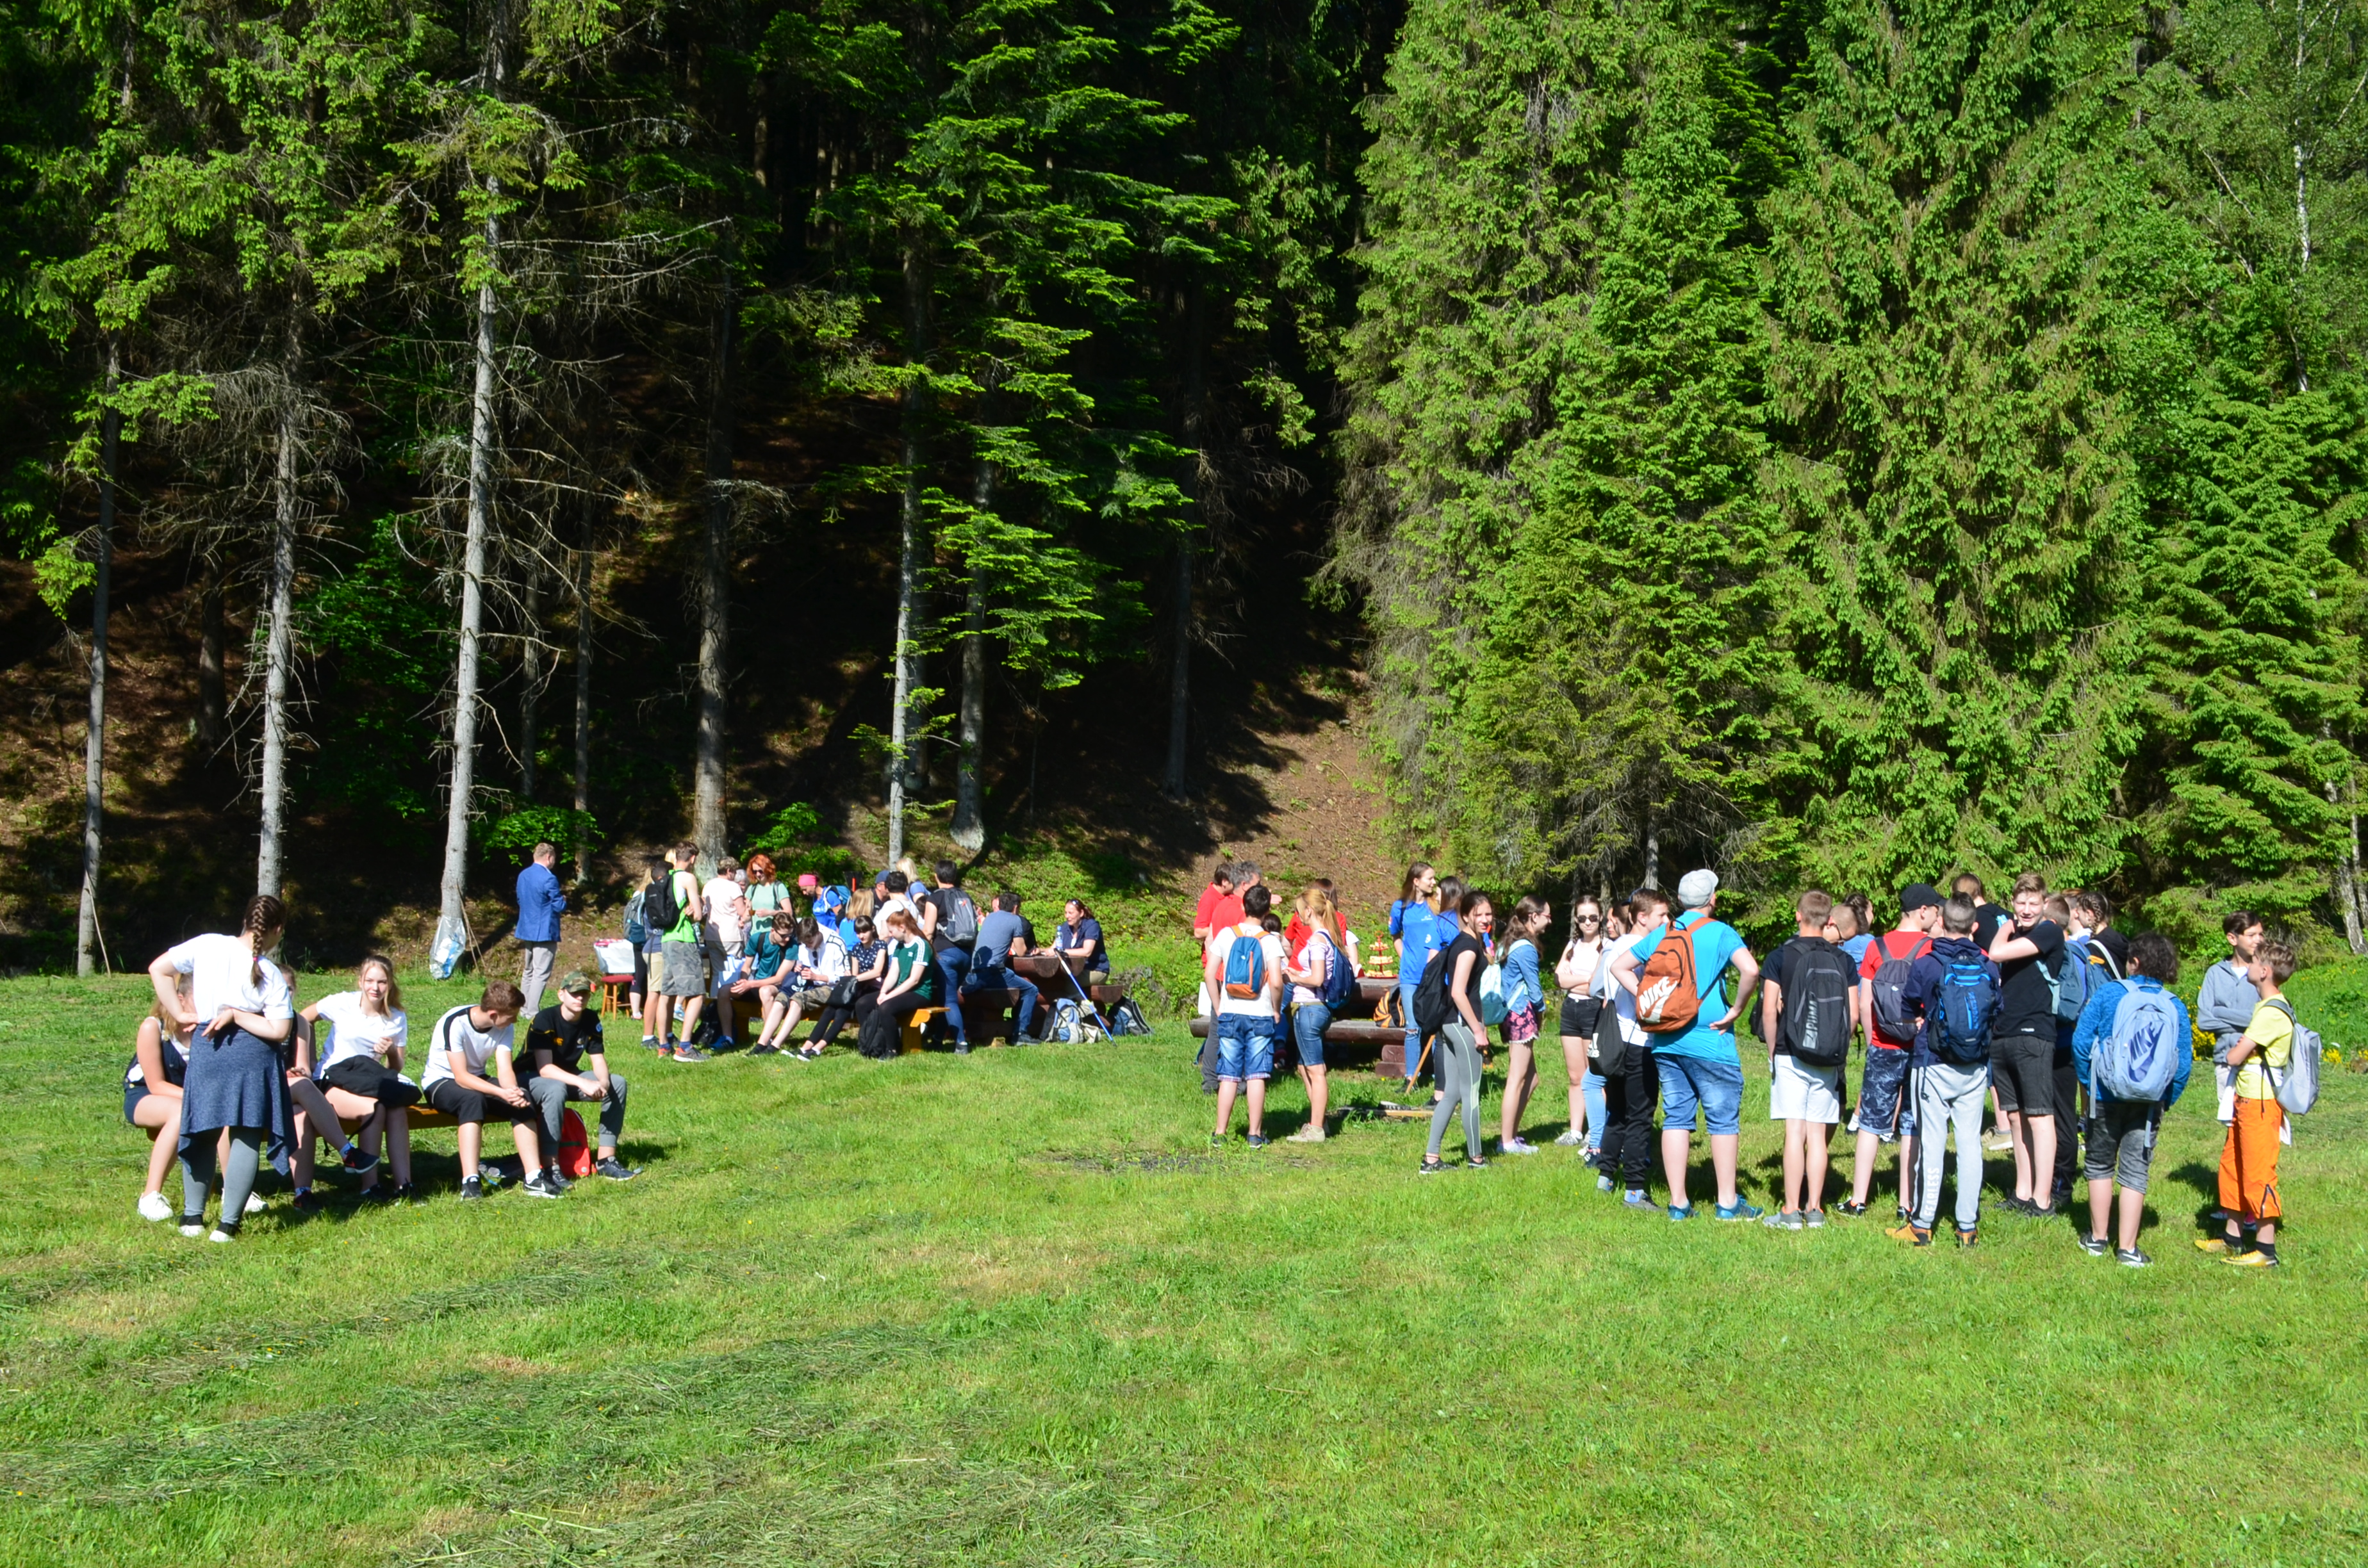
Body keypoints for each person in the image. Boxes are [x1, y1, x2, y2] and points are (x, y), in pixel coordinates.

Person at [1607, 869, 1761, 1221]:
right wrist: (1737, 1009)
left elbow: (1619, 967)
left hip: (1667, 1038)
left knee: (1676, 1117)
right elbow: (1750, 970)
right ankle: (1727, 1203)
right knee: (1722, 1121)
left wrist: (1648, 997)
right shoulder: (1721, 932)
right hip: (1711, 1039)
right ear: (1712, 899)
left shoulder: (1664, 931)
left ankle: (1678, 1204)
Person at [147, 896, 299, 1241]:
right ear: (276, 930)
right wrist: (241, 1015)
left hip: (208, 1048)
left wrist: (181, 1013)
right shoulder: (270, 971)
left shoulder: (207, 945)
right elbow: (279, 1031)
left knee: (201, 1131)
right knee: (245, 1135)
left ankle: (192, 1218)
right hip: (253, 1055)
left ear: (245, 920)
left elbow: (158, 969)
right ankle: (228, 1225)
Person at [2071, 932, 2194, 1266]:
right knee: (2135, 1172)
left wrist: (2091, 1082)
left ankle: (2097, 1239)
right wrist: (2166, 1098)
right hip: (2149, 1102)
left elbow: (2082, 1042)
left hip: (2106, 1095)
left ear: (2134, 962)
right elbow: (2182, 1063)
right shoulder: (2175, 1006)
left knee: (2099, 1164)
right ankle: (2127, 1248)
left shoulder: (2111, 993)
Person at [1888, 894, 1998, 1248]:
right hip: (1975, 1066)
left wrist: (1922, 1016)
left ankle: (1922, 1224)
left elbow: (1907, 1006)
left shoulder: (1927, 963)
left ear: (1942, 923)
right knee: (1969, 1145)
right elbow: (1999, 1011)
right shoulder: (1989, 965)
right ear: (1974, 927)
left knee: (1932, 1143)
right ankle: (1967, 1227)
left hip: (1932, 1062)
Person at [2201, 938, 2296, 1268]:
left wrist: (2240, 1048)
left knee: (2258, 1172)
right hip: (2244, 1098)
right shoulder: (2263, 1008)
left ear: (2265, 971)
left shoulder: (2271, 1012)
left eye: (2253, 963)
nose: (2248, 968)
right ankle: (2232, 1238)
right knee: (2233, 1166)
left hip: (2260, 1101)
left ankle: (2266, 1250)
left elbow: (2234, 1054)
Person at [1759, 890, 1850, 1229]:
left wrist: (1772, 1048)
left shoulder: (1781, 956)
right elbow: (1852, 1015)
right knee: (1817, 1133)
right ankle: (1815, 1209)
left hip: (1790, 1051)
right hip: (1829, 1055)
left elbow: (1770, 1010)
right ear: (1829, 921)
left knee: (1794, 1132)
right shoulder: (1843, 960)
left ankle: (1790, 1210)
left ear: (1798, 916)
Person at [1847, 884, 1937, 1218]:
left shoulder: (1876, 946)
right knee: (1911, 1124)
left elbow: (1866, 1000)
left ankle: (1858, 1200)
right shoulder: (1931, 949)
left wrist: (1874, 1040)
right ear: (1923, 911)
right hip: (1919, 1048)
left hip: (1883, 1046)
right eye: (1936, 910)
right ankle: (1906, 1203)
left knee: (1871, 1122)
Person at [302, 956, 418, 1202]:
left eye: (382, 982)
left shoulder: (396, 1017)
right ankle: (370, 1186)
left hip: (367, 1081)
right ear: (360, 981)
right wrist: (307, 1061)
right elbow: (303, 1018)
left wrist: (389, 1052)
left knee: (396, 1110)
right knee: (375, 1109)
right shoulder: (343, 1003)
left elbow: (395, 1067)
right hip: (333, 1078)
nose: (375, 988)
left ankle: (404, 1185)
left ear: (390, 984)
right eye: (370, 981)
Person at [422, 981, 550, 1198]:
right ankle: (470, 1182)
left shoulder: (505, 1026)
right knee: (472, 1100)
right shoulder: (455, 1023)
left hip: (477, 1078)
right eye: (511, 1016)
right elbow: (461, 1077)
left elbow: (504, 1068)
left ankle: (534, 1177)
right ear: (493, 1015)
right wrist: (500, 1093)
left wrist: (512, 1091)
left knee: (523, 1098)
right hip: (441, 1081)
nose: (515, 1020)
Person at [1986, 872, 2066, 1217]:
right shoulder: (2016, 930)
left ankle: (2043, 1198)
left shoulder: (2050, 931)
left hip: (2034, 1034)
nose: (2027, 909)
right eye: (2021, 903)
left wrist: (2005, 924)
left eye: (2034, 903)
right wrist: (2011, 924)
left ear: (2045, 904)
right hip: (2004, 1033)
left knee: (2039, 1117)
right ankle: (2023, 1192)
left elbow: (1995, 953)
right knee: (2016, 1118)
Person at [519, 971, 641, 1184]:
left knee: (617, 1083)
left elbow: (598, 1060)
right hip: (529, 1077)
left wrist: (602, 1084)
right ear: (561, 995)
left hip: (564, 1075)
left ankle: (606, 1159)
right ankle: (551, 1166)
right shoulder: (545, 1019)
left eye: (584, 994)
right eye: (575, 994)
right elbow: (545, 1069)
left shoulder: (590, 1019)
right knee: (555, 1088)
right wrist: (582, 1082)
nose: (580, 999)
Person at [1591, 892, 1661, 1207]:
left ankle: (1606, 1176)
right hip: (1638, 1040)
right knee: (1640, 1115)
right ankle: (1634, 1188)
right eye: (1661, 915)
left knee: (1617, 1110)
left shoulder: (1613, 947)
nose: (1667, 922)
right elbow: (1643, 995)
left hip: (1615, 1039)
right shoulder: (1638, 950)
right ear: (1641, 917)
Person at [1205, 884, 1286, 1145]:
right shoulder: (1270, 941)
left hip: (1230, 1011)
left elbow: (1210, 974)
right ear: (1267, 910)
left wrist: (1218, 1005)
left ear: (1243, 906)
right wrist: (1275, 1008)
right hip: (1259, 1013)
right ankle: (1254, 1134)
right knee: (1256, 1075)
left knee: (1228, 1073)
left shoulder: (1227, 935)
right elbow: (1276, 982)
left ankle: (1220, 1133)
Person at [1420, 889, 1494, 1173]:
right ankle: (1477, 1159)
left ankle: (1431, 1159)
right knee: (1471, 1092)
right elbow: (1458, 992)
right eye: (1479, 915)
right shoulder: (1466, 947)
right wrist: (1477, 1030)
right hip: (1462, 1026)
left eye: (1489, 914)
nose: (1486, 919)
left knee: (1450, 1093)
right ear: (1465, 916)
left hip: (1451, 1024)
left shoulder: (1471, 943)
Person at [126, 974, 206, 1222]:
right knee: (181, 1113)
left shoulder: (208, 1027)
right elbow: (156, 1084)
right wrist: (198, 1098)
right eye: (199, 999)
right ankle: (150, 1195)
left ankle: (236, 1192)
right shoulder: (154, 1026)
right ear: (179, 999)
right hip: (146, 1095)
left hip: (189, 1096)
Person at [1281, 888, 1347, 1144]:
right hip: (1309, 1009)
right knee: (1303, 1066)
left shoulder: (1318, 941)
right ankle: (1320, 1121)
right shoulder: (1326, 937)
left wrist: (1294, 976)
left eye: (1299, 911)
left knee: (1315, 1070)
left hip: (1310, 1008)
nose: (1298, 917)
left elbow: (1318, 979)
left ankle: (1316, 1128)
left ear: (1309, 911)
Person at [1552, 896, 1613, 1156]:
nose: (1588, 922)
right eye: (1582, 918)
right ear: (1576, 920)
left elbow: (1596, 987)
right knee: (1575, 1076)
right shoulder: (1572, 945)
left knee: (1595, 1076)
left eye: (1593, 917)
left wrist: (1573, 980)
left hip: (1593, 1010)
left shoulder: (1607, 946)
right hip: (1571, 1011)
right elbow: (1558, 980)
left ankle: (1596, 1130)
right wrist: (1582, 979)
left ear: (1600, 919)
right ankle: (1576, 1129)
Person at [2198, 910, 2266, 1132]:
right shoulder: (2215, 974)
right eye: (2251, 935)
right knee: (2231, 1125)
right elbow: (2204, 1021)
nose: (2259, 940)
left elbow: (2265, 1018)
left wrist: (2221, 1012)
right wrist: (2248, 1020)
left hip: (2257, 1063)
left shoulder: (2263, 973)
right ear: (2232, 939)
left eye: (2261, 934)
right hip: (2225, 1062)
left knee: (2253, 1127)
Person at [1494, 896, 1550, 1155]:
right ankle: (1506, 1142)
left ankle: (1512, 1135)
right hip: (1521, 1014)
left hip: (1510, 1014)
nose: (1549, 921)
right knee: (1516, 1079)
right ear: (1533, 916)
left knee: (1532, 1078)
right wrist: (1542, 1011)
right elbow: (1535, 990)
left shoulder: (1508, 943)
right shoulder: (1525, 948)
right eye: (1547, 916)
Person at [655, 843, 711, 1062]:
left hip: (666, 939)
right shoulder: (688, 879)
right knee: (697, 993)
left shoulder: (664, 876)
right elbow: (697, 915)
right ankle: (685, 1047)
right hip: (684, 939)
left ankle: (663, 1045)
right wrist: (697, 906)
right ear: (693, 859)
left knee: (666, 994)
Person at [856, 907, 936, 1058]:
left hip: (919, 993)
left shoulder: (921, 945)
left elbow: (914, 980)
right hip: (901, 990)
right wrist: (883, 992)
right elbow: (893, 974)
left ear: (902, 928)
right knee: (862, 1004)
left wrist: (888, 997)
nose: (890, 935)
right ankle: (871, 1041)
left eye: (892, 931)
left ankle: (891, 1049)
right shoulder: (900, 946)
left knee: (886, 1008)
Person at [921, 862, 981, 1054]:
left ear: (936, 876)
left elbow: (929, 930)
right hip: (965, 954)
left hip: (945, 953)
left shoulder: (935, 897)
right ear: (954, 877)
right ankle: (938, 1039)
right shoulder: (966, 896)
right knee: (947, 997)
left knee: (949, 1000)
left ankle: (961, 1044)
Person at [966, 892, 1040, 1042]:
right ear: (1016, 907)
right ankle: (1020, 1034)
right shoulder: (1015, 920)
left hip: (973, 971)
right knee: (1031, 990)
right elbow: (1021, 952)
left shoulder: (990, 917)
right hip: (993, 972)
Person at [513, 840, 568, 1018]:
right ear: (549, 857)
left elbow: (520, 901)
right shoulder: (549, 878)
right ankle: (532, 1011)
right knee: (541, 972)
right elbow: (558, 905)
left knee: (528, 970)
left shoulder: (523, 875)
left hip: (526, 927)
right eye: (554, 859)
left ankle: (522, 1008)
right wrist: (564, 900)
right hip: (544, 930)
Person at [737, 913, 802, 1053]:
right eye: (784, 935)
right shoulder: (758, 938)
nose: (788, 939)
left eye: (790, 935)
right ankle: (728, 1037)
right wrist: (743, 981)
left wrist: (750, 984)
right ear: (773, 931)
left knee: (765, 991)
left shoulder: (792, 946)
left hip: (780, 987)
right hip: (757, 982)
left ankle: (768, 1037)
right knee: (725, 992)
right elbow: (746, 967)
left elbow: (779, 979)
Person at [702, 856, 748, 1049]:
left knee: (717, 975)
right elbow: (741, 911)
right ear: (729, 871)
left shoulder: (708, 886)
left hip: (712, 935)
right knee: (733, 975)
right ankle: (732, 1014)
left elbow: (705, 910)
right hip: (730, 935)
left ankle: (714, 1012)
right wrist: (747, 910)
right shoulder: (733, 887)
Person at [626, 858, 666, 1036]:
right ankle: (653, 1021)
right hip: (651, 938)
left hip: (637, 937)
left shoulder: (637, 893)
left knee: (639, 974)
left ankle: (636, 1011)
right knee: (655, 982)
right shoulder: (655, 894)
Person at [1055, 899, 1109, 986]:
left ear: (1081, 913)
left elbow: (1087, 952)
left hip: (1096, 970)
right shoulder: (1065, 927)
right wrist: (1040, 950)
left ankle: (1080, 1000)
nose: (1067, 916)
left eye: (1071, 913)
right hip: (1076, 969)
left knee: (1065, 980)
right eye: (1066, 913)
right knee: (1055, 977)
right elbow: (1054, 948)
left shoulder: (1092, 926)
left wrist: (1062, 952)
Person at [1192, 862, 1238, 945]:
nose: (1236, 885)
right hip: (1212, 954)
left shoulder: (1227, 895)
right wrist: (1227, 931)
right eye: (1234, 882)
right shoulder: (1209, 899)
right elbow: (1198, 932)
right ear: (1224, 882)